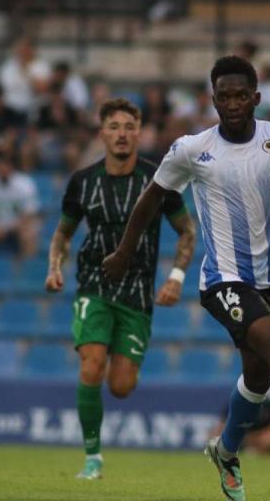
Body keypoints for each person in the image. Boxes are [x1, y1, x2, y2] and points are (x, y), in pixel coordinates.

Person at [102, 56, 270, 500]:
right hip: (223, 280)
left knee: (258, 378)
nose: (232, 103)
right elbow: (151, 198)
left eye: (240, 95)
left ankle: (226, 452)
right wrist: (123, 251)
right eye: (223, 96)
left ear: (256, 98)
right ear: (213, 100)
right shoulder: (192, 149)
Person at [45, 98, 196, 481]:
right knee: (92, 365)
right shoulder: (83, 181)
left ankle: (125, 359)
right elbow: (63, 234)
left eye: (129, 127)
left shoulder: (158, 180)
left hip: (137, 295)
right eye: (114, 127)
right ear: (102, 134)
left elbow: (187, 231)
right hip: (94, 285)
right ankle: (92, 458)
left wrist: (176, 278)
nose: (122, 134)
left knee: (121, 386)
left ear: (139, 133)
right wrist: (54, 267)